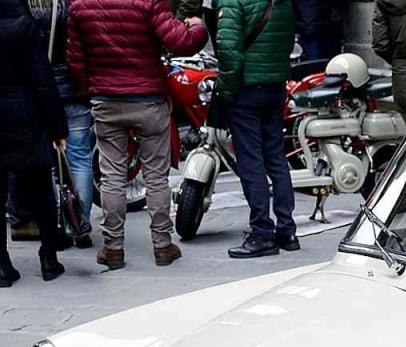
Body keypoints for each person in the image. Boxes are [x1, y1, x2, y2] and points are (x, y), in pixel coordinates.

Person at [66, 0, 205, 270]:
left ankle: (113, 248)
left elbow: (76, 58)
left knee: (111, 176)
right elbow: (180, 42)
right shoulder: (150, 1)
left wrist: (89, 90)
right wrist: (198, 28)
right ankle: (162, 245)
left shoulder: (80, 4)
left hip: (105, 98)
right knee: (156, 176)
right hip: (148, 98)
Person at [215, 0, 299, 257]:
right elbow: (288, 40)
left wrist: (226, 90)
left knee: (251, 161)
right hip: (275, 85)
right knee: (276, 157)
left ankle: (262, 232)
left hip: (247, 87)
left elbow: (228, 50)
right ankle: (287, 229)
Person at [0, 0, 69, 284]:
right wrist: (58, 128)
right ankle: (48, 257)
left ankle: (2, 265)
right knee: (40, 189)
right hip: (26, 116)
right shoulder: (24, 27)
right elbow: (43, 81)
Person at [29, 0, 94, 249]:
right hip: (73, 90)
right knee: (80, 159)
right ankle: (80, 225)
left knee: (47, 165)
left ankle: (57, 227)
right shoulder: (73, 6)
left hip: (40, 96)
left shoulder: (27, 10)